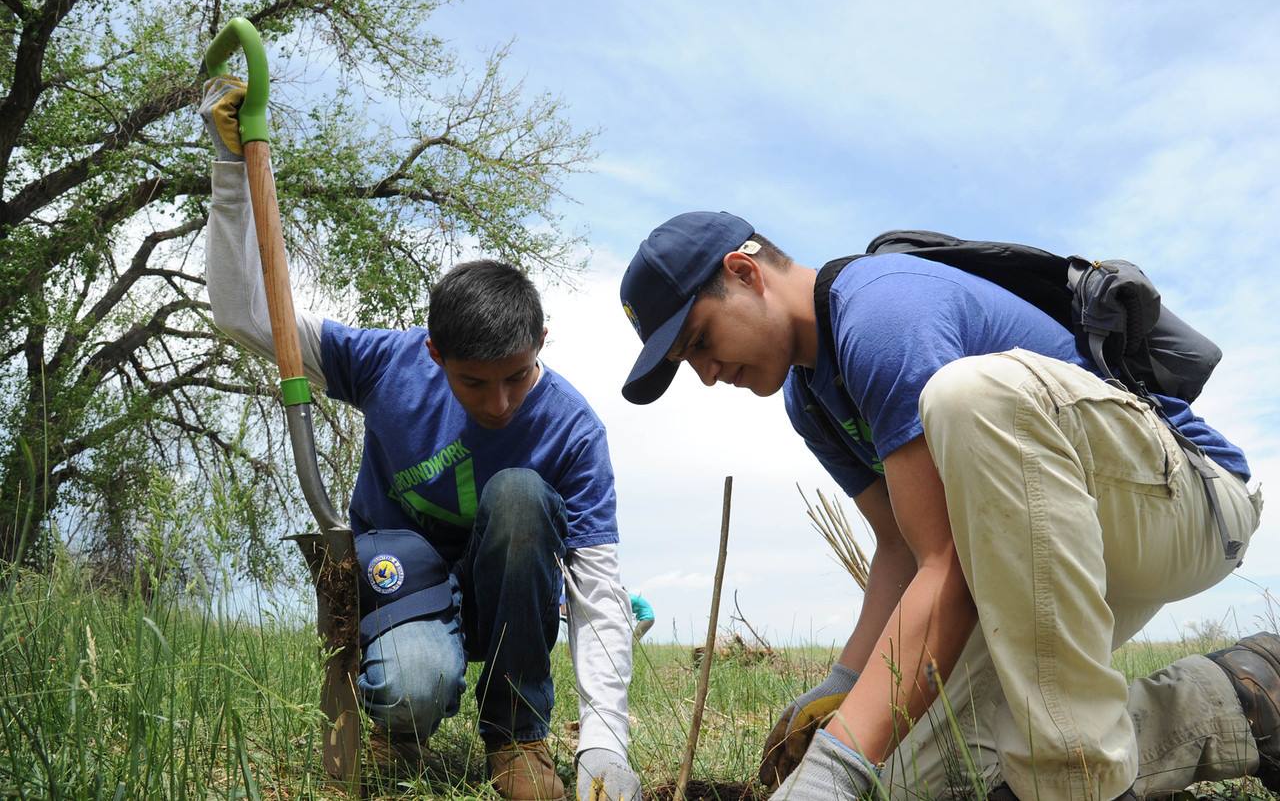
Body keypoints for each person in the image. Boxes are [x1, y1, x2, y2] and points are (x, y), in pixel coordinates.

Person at [618, 210, 1272, 801]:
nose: (705, 374)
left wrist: (835, 766)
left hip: (1188, 499)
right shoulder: (810, 398)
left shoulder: (879, 313)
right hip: (1068, 542)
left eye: (700, 342)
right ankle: (1244, 697)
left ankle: (1080, 786)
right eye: (685, 362)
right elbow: (902, 548)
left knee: (971, 395)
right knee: (917, 780)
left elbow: (949, 563)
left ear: (743, 271)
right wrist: (842, 685)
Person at [199, 77, 641, 801]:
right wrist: (228, 171)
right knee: (411, 687)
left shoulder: (572, 427)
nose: (500, 403)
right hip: (401, 573)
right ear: (435, 355)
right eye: (474, 383)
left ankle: (518, 736)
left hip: (510, 594)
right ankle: (399, 731)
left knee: (523, 495)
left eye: (519, 377)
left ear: (542, 344)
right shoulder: (386, 362)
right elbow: (249, 317)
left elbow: (597, 590)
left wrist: (602, 741)